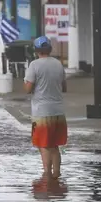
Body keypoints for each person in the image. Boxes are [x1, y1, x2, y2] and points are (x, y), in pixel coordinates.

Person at [24, 36, 67, 179]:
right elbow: (64, 87)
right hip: (58, 111)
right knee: (54, 145)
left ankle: (47, 175)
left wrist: (27, 83)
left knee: (43, 145)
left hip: (41, 112)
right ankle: (57, 174)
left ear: (36, 50)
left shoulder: (34, 65)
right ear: (50, 49)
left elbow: (28, 89)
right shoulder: (58, 64)